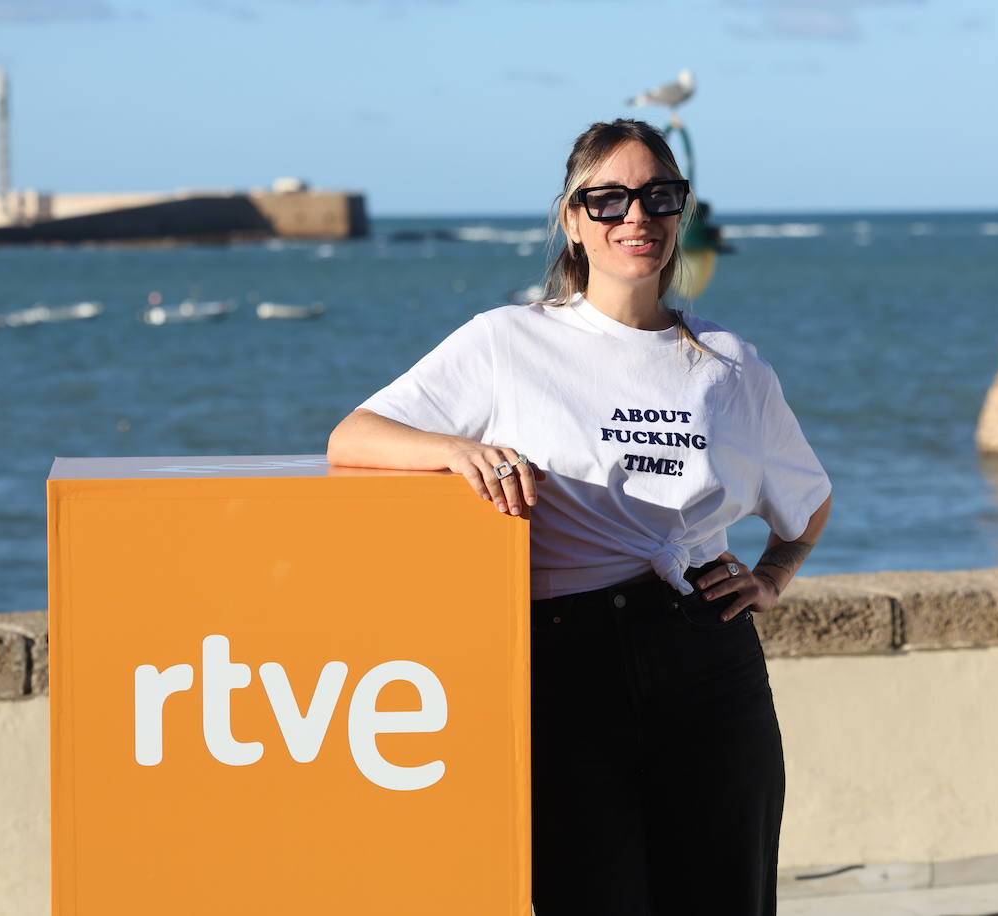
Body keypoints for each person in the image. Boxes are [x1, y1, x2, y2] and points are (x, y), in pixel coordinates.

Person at [327, 118, 832, 916]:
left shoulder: (732, 364)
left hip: (708, 660)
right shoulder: (507, 342)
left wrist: (772, 576)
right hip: (567, 666)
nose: (637, 217)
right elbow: (353, 437)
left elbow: (807, 501)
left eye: (659, 197)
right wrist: (457, 451)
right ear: (572, 219)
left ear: (681, 212)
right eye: (609, 199)